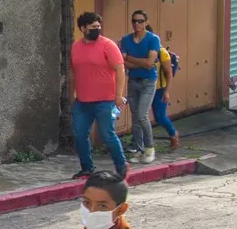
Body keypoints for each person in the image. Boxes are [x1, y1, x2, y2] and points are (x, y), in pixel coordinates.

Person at [69, 11, 129, 179]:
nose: (97, 29)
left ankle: (121, 165)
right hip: (82, 101)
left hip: (106, 101)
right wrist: (72, 94)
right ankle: (87, 168)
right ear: (83, 28)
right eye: (93, 26)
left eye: (98, 26)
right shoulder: (76, 47)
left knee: (107, 135)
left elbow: (120, 69)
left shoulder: (108, 45)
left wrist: (118, 95)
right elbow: (74, 72)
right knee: (80, 134)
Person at [119, 10, 161, 163]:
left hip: (148, 81)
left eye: (140, 21)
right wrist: (141, 62)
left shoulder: (153, 39)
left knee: (142, 115)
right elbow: (123, 62)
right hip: (133, 80)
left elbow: (150, 63)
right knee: (135, 116)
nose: (137, 24)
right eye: (134, 21)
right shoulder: (126, 40)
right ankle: (139, 149)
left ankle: (149, 149)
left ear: (146, 22)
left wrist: (131, 59)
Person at [144, 25, 181, 149]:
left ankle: (173, 134)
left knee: (160, 117)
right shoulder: (139, 50)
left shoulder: (161, 52)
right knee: (140, 116)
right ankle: (138, 142)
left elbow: (169, 73)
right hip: (144, 87)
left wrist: (166, 92)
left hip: (159, 89)